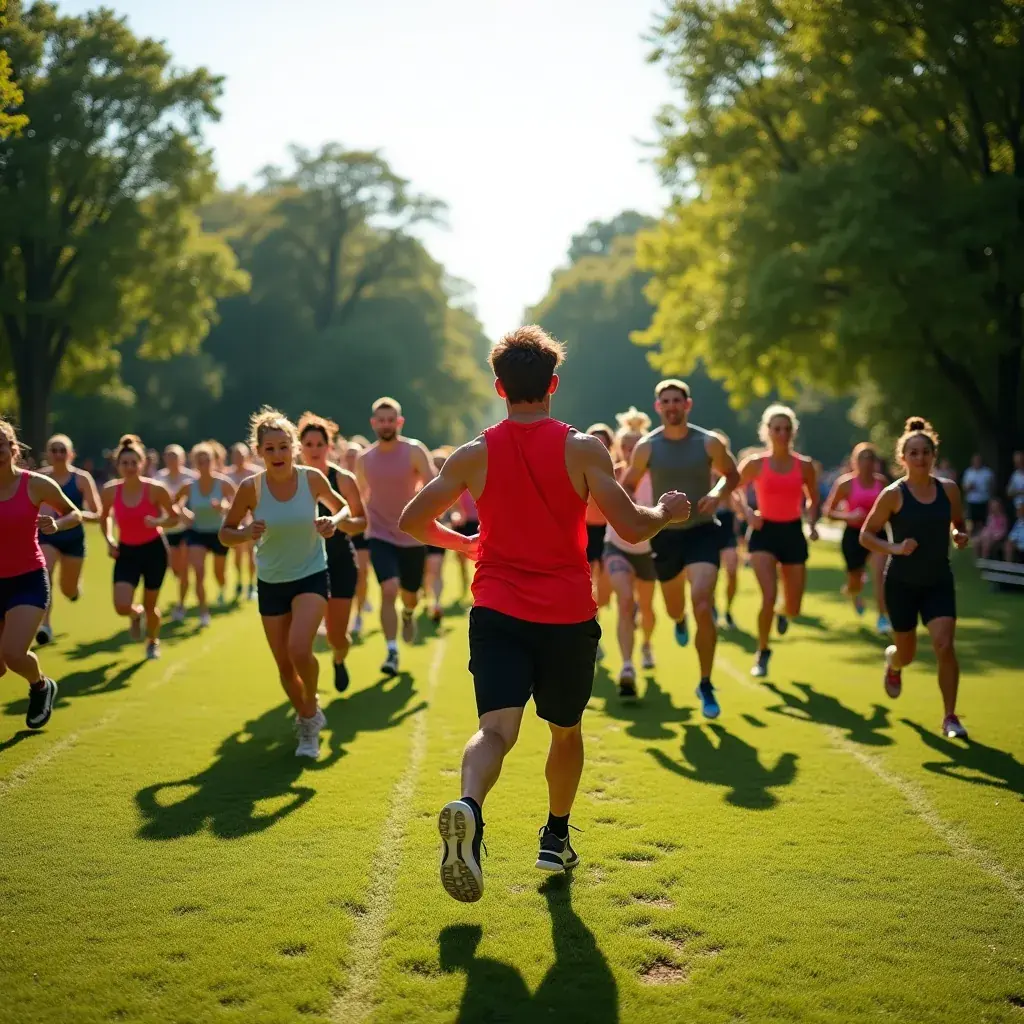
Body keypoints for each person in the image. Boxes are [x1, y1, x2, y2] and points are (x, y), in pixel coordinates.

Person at [398, 325, 691, 902]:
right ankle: (554, 837)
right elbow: (630, 526)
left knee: (495, 730)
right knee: (565, 729)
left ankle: (469, 808)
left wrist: (464, 544)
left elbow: (412, 520)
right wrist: (666, 510)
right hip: (565, 615)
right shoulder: (582, 447)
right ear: (552, 384)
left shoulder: (473, 452)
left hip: (497, 609)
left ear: (499, 387)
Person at [219, 407, 355, 759]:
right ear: (259, 451)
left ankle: (309, 713)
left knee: (299, 649)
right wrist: (245, 532)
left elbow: (342, 508)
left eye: (283, 447)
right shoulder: (251, 488)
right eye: (270, 449)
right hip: (271, 581)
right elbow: (225, 534)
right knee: (284, 664)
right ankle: (309, 717)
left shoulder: (311, 479)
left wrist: (332, 521)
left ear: (294, 447)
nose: (277, 454)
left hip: (311, 574)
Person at [624, 379, 739, 718]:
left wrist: (718, 492)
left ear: (688, 404)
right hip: (666, 536)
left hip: (703, 531)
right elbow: (628, 485)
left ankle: (705, 682)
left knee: (703, 602)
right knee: (676, 608)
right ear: (658, 407)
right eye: (665, 401)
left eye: (677, 400)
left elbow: (731, 474)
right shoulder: (647, 446)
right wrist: (639, 513)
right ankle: (678, 620)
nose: (672, 406)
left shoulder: (709, 442)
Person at [860, 417, 969, 739]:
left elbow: (957, 524)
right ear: (903, 458)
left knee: (944, 645)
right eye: (914, 453)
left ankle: (950, 717)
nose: (920, 458)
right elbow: (866, 535)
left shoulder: (948, 490)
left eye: (926, 452)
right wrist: (894, 547)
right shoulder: (894, 494)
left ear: (933, 455)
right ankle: (893, 664)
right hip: (902, 585)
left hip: (937, 580)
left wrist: (959, 535)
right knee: (905, 653)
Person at [0, 418, 83, 729]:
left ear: (13, 448)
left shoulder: (35, 484)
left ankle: (40, 685)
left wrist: (56, 525)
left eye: (1, 445)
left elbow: (73, 513)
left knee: (13, 653)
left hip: (28, 579)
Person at [736, 404, 820, 679]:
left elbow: (813, 498)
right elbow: (732, 489)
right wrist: (748, 513)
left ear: (793, 432)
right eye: (777, 429)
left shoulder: (804, 465)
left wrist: (811, 523)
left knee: (794, 606)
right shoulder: (755, 463)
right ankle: (762, 651)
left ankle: (785, 613)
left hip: (793, 533)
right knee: (768, 596)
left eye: (787, 429)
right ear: (767, 432)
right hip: (764, 533)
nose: (782, 434)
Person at [356, 397, 435, 677]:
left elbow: (432, 485)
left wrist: (432, 516)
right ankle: (391, 650)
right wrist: (354, 522)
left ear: (399, 422)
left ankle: (409, 613)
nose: (387, 424)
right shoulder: (364, 459)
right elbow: (360, 496)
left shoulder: (414, 450)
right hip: (379, 533)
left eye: (392, 420)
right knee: (388, 590)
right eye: (381, 420)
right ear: (373, 423)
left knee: (410, 596)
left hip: (411, 534)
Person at [297, 412, 367, 692]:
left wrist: (338, 524)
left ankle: (339, 660)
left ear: (330, 446)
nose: (314, 450)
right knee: (300, 635)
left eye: (319, 444)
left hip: (338, 562)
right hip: (301, 564)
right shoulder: (291, 480)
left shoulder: (344, 480)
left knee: (337, 637)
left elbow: (361, 523)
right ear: (299, 448)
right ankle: (304, 687)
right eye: (308, 444)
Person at [99, 435, 181, 660]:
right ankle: (136, 615)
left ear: (142, 463)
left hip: (154, 551)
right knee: (121, 605)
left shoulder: (156, 489)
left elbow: (174, 518)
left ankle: (153, 641)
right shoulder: (110, 491)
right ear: (118, 465)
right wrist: (109, 539)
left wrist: (158, 522)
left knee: (150, 603)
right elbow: (104, 517)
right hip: (126, 551)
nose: (130, 467)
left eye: (134, 462)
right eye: (125, 463)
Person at [603, 407, 658, 698]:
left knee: (646, 610)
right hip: (616, 547)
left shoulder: (657, 476)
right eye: (624, 446)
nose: (628, 451)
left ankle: (647, 644)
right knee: (626, 602)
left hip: (648, 550)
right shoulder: (610, 475)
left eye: (634, 446)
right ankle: (626, 666)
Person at [35, 433, 101, 645]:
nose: (58, 454)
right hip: (47, 537)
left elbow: (97, 513)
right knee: (45, 577)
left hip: (73, 539)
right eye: (54, 450)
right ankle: (45, 625)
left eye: (63, 450)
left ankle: (73, 590)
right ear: (48, 454)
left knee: (68, 589)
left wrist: (78, 515)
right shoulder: (38, 478)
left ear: (71, 454)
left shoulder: (81, 479)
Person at [822, 442, 891, 633]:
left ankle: (883, 617)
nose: (867, 463)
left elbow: (891, 508)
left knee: (880, 575)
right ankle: (854, 592)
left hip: (876, 534)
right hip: (854, 535)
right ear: (854, 461)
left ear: (875, 462)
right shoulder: (845, 484)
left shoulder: (882, 483)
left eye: (870, 458)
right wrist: (849, 516)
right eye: (862, 458)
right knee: (855, 581)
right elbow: (828, 511)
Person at [181, 443, 235, 627]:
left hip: (219, 533)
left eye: (207, 460)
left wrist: (223, 507)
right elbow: (172, 503)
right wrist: (184, 514)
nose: (204, 464)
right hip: (197, 533)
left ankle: (221, 587)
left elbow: (236, 504)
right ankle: (203, 611)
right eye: (200, 461)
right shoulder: (189, 486)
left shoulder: (223, 483)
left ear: (214, 461)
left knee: (218, 572)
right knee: (198, 572)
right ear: (195, 463)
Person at [158, 445, 196, 623]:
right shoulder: (159, 478)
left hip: (187, 529)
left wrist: (185, 512)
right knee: (175, 569)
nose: (172, 459)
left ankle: (181, 604)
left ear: (182, 459)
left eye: (175, 456)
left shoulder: (190, 477)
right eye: (169, 456)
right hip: (167, 529)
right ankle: (184, 587)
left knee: (184, 567)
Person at [584, 423, 614, 632]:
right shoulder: (578, 470)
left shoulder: (617, 472)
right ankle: (591, 620)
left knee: (604, 588)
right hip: (583, 531)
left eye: (603, 442)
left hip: (609, 532)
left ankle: (597, 610)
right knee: (586, 582)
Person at [710, 430, 740, 631]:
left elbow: (736, 495)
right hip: (707, 523)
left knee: (731, 569)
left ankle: (728, 610)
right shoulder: (701, 469)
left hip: (726, 522)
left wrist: (742, 514)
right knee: (711, 572)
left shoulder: (728, 470)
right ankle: (711, 608)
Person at [343, 438, 373, 637]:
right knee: (345, 576)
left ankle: (359, 614)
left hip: (364, 532)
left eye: (356, 456)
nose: (352, 459)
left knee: (362, 573)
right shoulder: (339, 478)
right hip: (343, 531)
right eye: (349, 456)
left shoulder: (369, 479)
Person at [225, 443, 259, 602]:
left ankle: (252, 584)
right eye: (235, 456)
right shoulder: (227, 475)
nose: (238, 459)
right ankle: (239, 581)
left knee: (251, 553)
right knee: (238, 555)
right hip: (235, 520)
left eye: (241, 455)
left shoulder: (256, 473)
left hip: (252, 519)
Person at [424, 448, 454, 622]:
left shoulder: (451, 485)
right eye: (436, 464)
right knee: (427, 570)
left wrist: (456, 515)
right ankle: (427, 596)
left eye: (442, 464)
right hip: (421, 534)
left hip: (440, 532)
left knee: (436, 568)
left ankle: (436, 603)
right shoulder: (420, 483)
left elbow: (456, 507)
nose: (438, 468)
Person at [961, 453, 995, 534]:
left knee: (984, 521)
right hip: (972, 501)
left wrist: (991, 499)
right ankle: (973, 538)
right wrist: (968, 487)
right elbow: (964, 487)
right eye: (975, 461)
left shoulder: (987, 472)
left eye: (978, 461)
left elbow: (992, 486)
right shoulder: (968, 472)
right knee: (972, 522)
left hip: (984, 500)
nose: (977, 462)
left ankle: (983, 536)